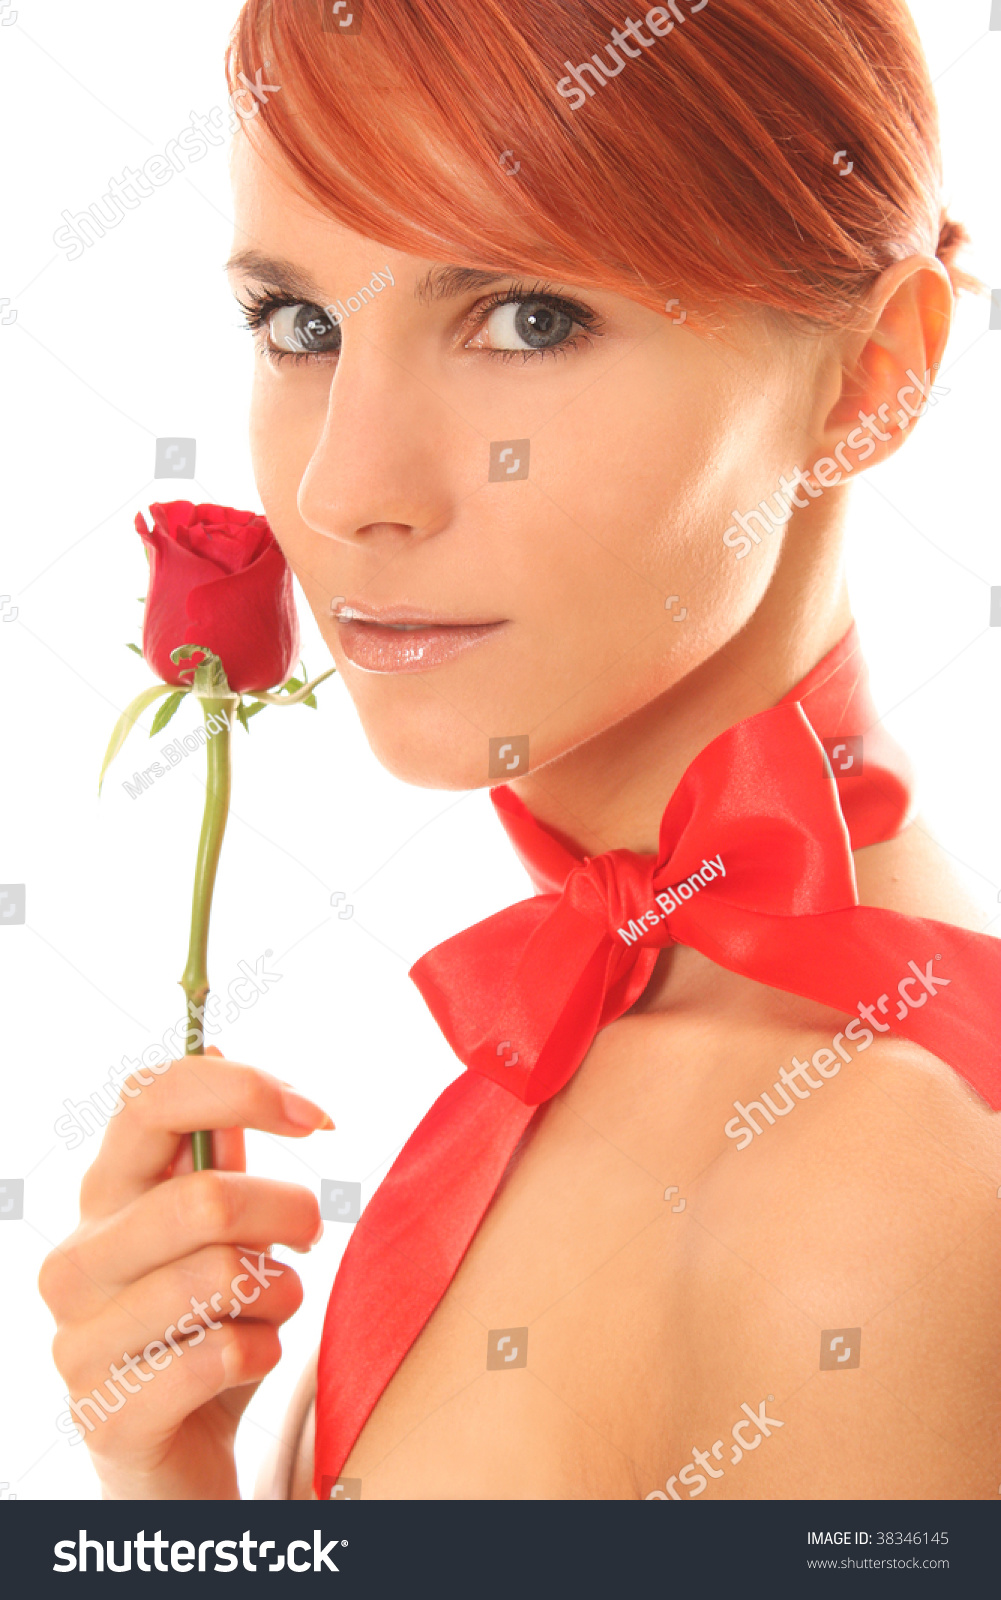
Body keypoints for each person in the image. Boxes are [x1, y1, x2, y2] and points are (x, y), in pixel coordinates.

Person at [41, 0, 1000, 1501]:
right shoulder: (616, 1020)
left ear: (871, 376)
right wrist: (173, 1506)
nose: (351, 486)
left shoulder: (866, 1190)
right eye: (301, 324)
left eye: (528, 319)